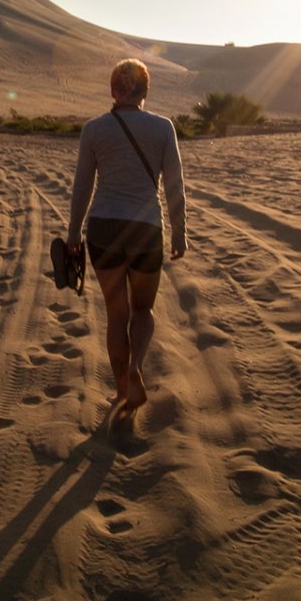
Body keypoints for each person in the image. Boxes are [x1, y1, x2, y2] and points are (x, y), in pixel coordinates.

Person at [68, 58, 186, 422]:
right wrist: (180, 231)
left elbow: (83, 184)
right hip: (145, 229)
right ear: (145, 92)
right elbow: (174, 184)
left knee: (117, 315)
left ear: (113, 90)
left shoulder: (94, 129)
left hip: (103, 228)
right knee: (142, 311)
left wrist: (73, 232)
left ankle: (122, 389)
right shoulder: (163, 128)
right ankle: (136, 365)